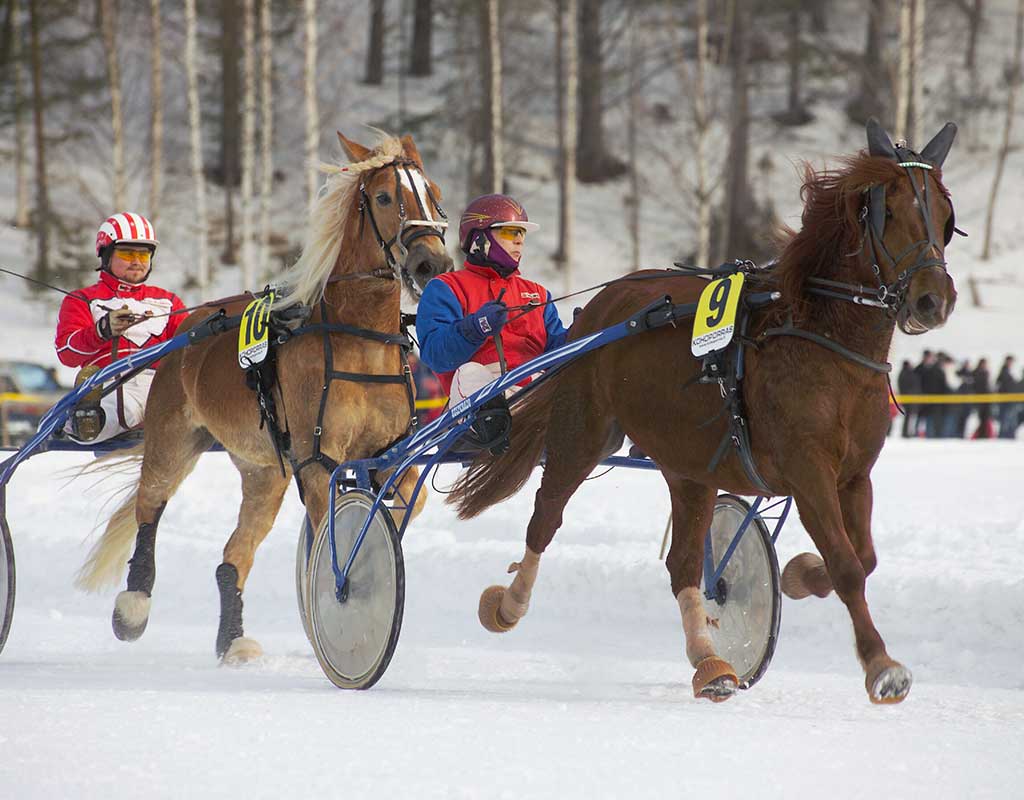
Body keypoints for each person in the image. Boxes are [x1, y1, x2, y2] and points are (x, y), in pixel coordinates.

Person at [416, 194, 568, 450]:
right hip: (475, 398)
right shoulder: (446, 288)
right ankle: (498, 428)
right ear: (480, 238)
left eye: (522, 233)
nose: (519, 239)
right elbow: (434, 355)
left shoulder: (538, 294)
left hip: (536, 393)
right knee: (470, 373)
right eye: (510, 231)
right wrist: (475, 328)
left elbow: (557, 353)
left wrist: (581, 332)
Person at [54, 212, 186, 442]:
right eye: (127, 253)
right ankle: (88, 419)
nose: (136, 261)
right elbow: (67, 354)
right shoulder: (83, 299)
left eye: (144, 255)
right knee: (123, 410)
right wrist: (100, 331)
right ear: (106, 254)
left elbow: (192, 341)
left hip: (162, 383)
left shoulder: (168, 301)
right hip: (111, 383)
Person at [896, 359, 921, 437]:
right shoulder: (907, 374)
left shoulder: (902, 374)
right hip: (909, 399)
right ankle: (906, 433)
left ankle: (906, 432)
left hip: (906, 398)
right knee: (909, 416)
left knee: (908, 417)